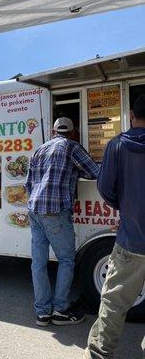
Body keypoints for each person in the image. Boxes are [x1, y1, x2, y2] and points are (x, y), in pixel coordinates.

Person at [84, 94, 145, 359]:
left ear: (131, 115)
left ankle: (98, 355)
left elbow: (104, 187)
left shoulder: (117, 145)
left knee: (113, 304)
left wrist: (125, 204)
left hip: (131, 241)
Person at [26, 117, 99, 327]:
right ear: (73, 131)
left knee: (38, 263)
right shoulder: (72, 147)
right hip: (55, 211)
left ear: (53, 131)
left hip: (34, 209)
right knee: (66, 260)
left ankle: (42, 313)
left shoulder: (39, 150)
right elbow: (95, 172)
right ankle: (60, 310)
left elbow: (28, 183)